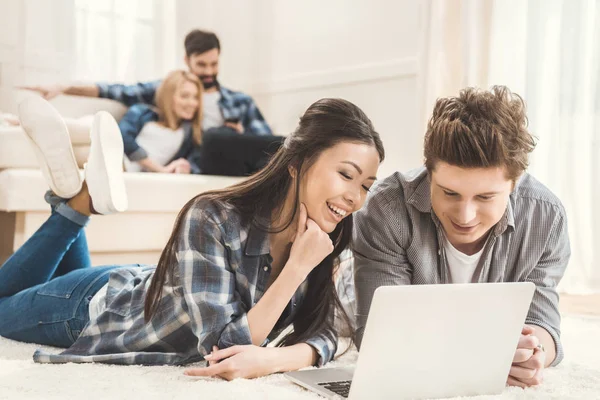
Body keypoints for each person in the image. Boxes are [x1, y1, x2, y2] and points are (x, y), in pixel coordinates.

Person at [0, 95, 384, 380]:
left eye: (366, 185)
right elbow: (222, 346)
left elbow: (328, 334)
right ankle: (76, 208)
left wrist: (274, 359)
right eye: (346, 175)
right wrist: (297, 267)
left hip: (151, 288)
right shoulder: (214, 216)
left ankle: (73, 199)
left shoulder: (326, 238)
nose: (355, 196)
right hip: (97, 309)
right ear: (297, 165)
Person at [352, 86, 570, 389]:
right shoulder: (386, 210)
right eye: (449, 193)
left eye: (485, 197)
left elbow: (543, 322)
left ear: (513, 183)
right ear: (429, 172)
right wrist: (479, 357)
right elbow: (377, 338)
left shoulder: (546, 217)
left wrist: (532, 355)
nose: (465, 216)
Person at [22, 29, 272, 136]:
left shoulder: (240, 102)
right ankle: (35, 123)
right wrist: (64, 87)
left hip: (220, 156)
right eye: (201, 65)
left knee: (223, 139)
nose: (209, 72)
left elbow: (266, 146)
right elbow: (119, 91)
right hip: (190, 157)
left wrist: (240, 136)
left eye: (214, 64)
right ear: (187, 60)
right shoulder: (172, 89)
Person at [120, 70, 202, 174]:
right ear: (169, 96)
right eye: (184, 96)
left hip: (147, 180)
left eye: (196, 97)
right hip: (118, 166)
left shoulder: (189, 133)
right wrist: (160, 169)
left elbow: (195, 165)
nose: (192, 103)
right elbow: (122, 137)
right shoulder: (141, 112)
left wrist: (182, 168)